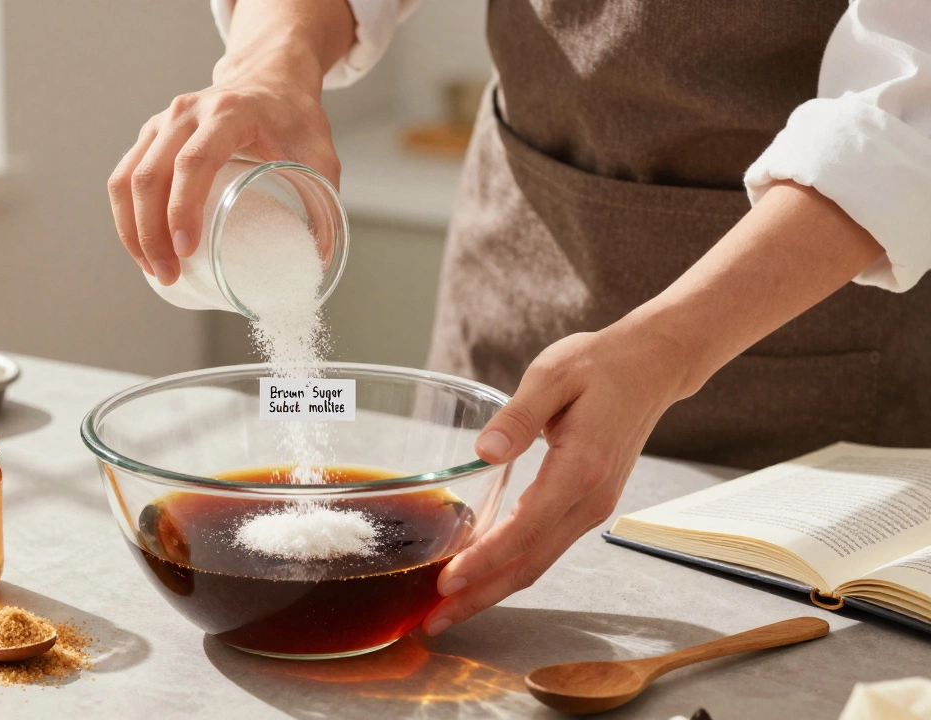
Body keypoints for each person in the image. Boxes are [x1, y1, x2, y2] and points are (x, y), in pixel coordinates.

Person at [107, 0, 931, 638]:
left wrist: (668, 348)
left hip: (812, 356)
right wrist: (270, 61)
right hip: (515, 262)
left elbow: (907, 115)